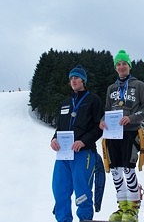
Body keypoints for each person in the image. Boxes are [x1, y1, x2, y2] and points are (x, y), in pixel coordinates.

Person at [99, 49, 144, 222]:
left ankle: (133, 209)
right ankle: (122, 207)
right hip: (113, 134)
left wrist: (131, 118)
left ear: (129, 66)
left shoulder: (139, 85)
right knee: (115, 170)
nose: (121, 66)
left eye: (124, 63)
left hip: (131, 133)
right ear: (116, 68)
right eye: (118, 64)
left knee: (128, 169)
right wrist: (102, 120)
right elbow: (107, 110)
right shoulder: (111, 88)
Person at [50, 65, 104, 222]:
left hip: (84, 154)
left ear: (83, 80)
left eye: (76, 77)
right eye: (71, 78)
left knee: (82, 192)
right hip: (64, 154)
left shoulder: (93, 100)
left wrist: (84, 141)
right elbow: (60, 127)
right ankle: (63, 219)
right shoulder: (65, 103)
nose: (73, 80)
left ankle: (85, 219)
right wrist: (53, 139)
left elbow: (98, 128)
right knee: (60, 190)